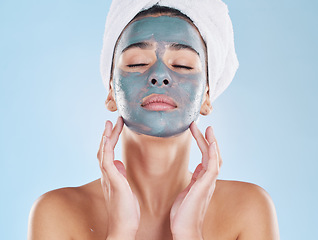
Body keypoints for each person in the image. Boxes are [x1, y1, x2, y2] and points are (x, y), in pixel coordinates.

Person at [28, 1, 280, 240]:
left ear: (206, 96)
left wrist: (189, 232)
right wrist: (120, 231)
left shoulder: (248, 210)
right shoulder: (57, 213)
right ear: (111, 91)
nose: (159, 75)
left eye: (182, 65)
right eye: (138, 62)